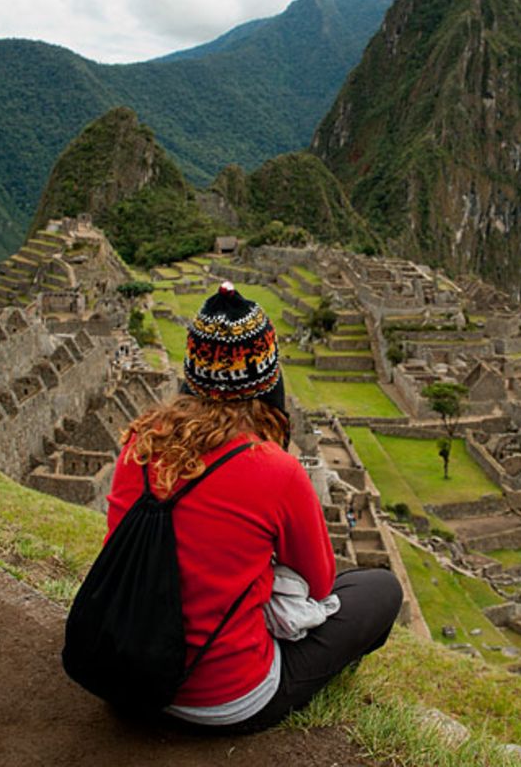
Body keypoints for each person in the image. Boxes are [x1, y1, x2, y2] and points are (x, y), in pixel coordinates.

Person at [103, 281, 402, 732]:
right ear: (268, 382)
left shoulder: (139, 444)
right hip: (223, 701)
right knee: (379, 590)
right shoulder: (275, 470)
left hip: (123, 678)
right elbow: (319, 584)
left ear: (191, 376)